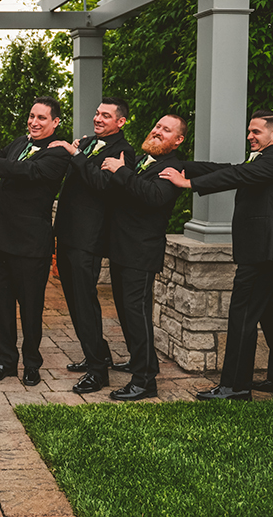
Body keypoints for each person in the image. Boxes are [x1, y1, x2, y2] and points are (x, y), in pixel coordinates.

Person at [161, 110, 273, 401]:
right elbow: (226, 167)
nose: (249, 136)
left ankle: (235, 387)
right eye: (249, 131)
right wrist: (184, 165)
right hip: (262, 251)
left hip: (261, 251)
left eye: (256, 132)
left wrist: (190, 184)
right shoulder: (265, 158)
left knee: (243, 316)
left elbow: (238, 174)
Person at [0, 97, 71, 387]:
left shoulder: (57, 153)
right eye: (32, 116)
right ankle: (5, 361)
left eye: (42, 118)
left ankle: (32, 363)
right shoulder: (21, 142)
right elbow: (2, 157)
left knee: (31, 309)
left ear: (55, 122)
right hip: (2, 242)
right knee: (2, 306)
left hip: (32, 246)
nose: (34, 122)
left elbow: (28, 172)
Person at [48, 97, 136, 395]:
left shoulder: (123, 151)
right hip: (68, 233)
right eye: (97, 113)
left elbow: (101, 184)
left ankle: (98, 371)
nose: (98, 118)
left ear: (121, 121)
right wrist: (78, 150)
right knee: (74, 299)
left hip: (90, 238)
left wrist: (75, 153)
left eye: (106, 116)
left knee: (85, 301)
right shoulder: (87, 143)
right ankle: (98, 352)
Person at [99, 114, 188, 401]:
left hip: (141, 251)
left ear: (178, 140)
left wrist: (120, 171)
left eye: (166, 129)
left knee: (137, 314)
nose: (158, 131)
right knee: (127, 312)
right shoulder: (143, 162)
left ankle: (145, 381)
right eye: (157, 126)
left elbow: (153, 196)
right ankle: (141, 362)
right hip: (122, 248)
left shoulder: (172, 167)